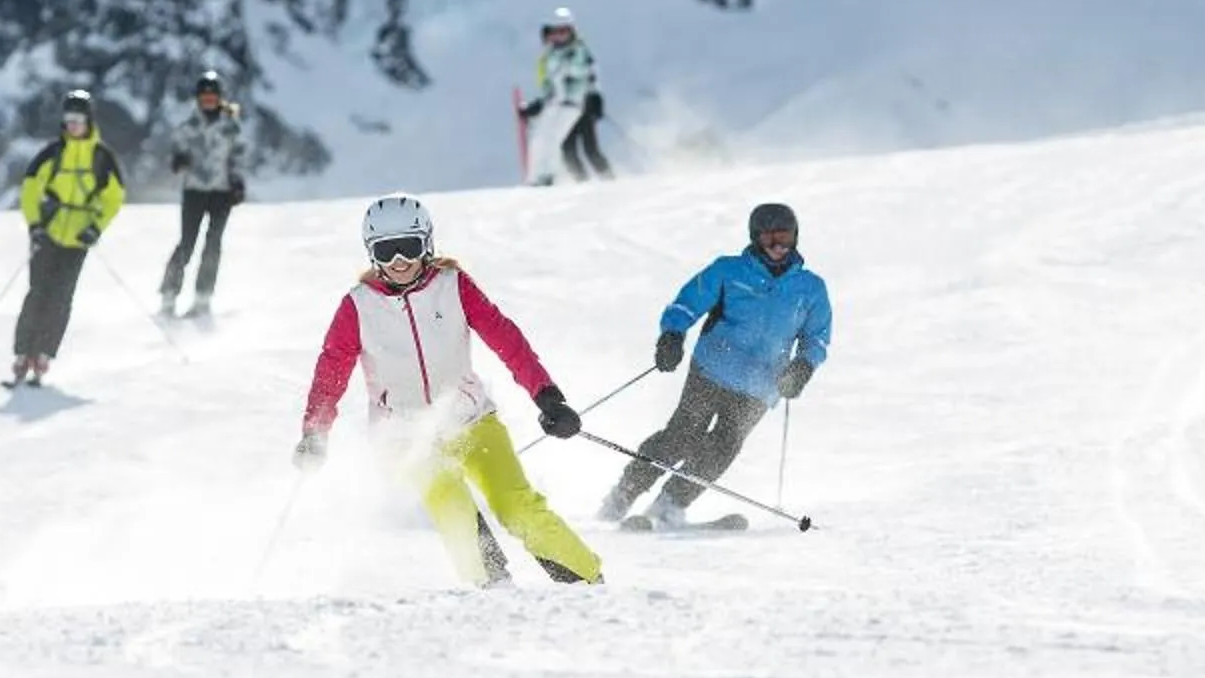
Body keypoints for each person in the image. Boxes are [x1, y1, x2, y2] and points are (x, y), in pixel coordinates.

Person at [294, 194, 605, 587]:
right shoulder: (358, 306)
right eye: (386, 251)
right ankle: (493, 589)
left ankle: (588, 581)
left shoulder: (453, 286)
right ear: (371, 253)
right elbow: (331, 368)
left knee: (517, 506)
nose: (399, 261)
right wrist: (315, 432)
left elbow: (504, 338)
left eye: (409, 247)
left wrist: (546, 396)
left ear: (427, 244)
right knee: (453, 511)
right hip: (406, 437)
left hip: (471, 420)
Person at [599, 200, 832, 527]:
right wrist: (672, 335)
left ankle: (669, 505)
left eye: (785, 237)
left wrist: (803, 367)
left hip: (760, 385)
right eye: (768, 239)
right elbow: (686, 303)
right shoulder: (728, 270)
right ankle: (624, 494)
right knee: (681, 435)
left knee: (723, 447)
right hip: (713, 369)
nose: (778, 246)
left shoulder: (811, 288)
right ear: (754, 238)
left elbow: (817, 338)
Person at [8, 87, 125, 385]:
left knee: (61, 297)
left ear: (89, 121)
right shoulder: (52, 153)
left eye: (78, 119)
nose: (73, 124)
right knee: (38, 292)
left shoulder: (102, 158)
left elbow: (114, 197)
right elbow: (30, 190)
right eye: (69, 118)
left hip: (78, 239)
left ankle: (44, 354)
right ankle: (23, 353)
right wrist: (35, 225)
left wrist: (95, 227)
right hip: (47, 233)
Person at [159, 68, 246, 318]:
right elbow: (177, 152)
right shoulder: (188, 126)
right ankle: (169, 293)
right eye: (204, 97)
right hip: (194, 190)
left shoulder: (230, 126)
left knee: (213, 244)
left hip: (221, 192)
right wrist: (179, 160)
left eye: (212, 97)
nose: (208, 101)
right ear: (198, 98)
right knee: (187, 242)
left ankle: (203, 297)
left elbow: (238, 156)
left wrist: (237, 182)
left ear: (220, 98)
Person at [521, 6, 612, 184]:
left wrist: (596, 97)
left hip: (580, 105)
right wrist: (539, 104)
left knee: (589, 148)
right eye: (553, 32)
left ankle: (608, 179)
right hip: (560, 106)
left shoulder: (578, 51)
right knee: (565, 147)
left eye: (563, 31)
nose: (558, 36)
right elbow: (551, 85)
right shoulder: (549, 56)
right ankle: (580, 180)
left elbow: (589, 74)